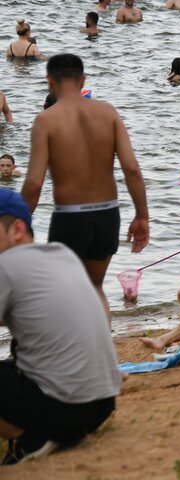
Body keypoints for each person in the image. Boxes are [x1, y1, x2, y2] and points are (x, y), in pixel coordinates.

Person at [0, 189, 122, 464]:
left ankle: (29, 439)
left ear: (17, 229)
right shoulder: (61, 254)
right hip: (102, 405)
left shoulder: (5, 264)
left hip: (64, 411)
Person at [20, 54, 150, 302]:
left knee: (62, 294)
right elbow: (131, 169)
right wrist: (141, 215)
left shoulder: (45, 121)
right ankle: (102, 342)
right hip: (107, 214)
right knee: (95, 289)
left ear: (49, 81)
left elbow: (34, 182)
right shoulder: (108, 113)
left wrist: (18, 221)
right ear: (82, 81)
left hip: (71, 217)